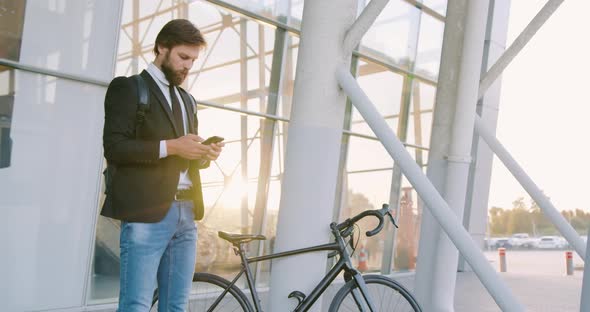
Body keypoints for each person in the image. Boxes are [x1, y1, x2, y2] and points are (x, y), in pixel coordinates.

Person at [101, 19, 223, 311]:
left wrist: (203, 154)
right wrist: (172, 146)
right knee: (136, 305)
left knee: (177, 307)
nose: (188, 67)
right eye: (183, 57)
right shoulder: (129, 88)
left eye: (193, 60)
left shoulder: (188, 100)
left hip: (187, 214)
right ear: (161, 48)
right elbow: (114, 147)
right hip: (146, 215)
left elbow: (184, 159)